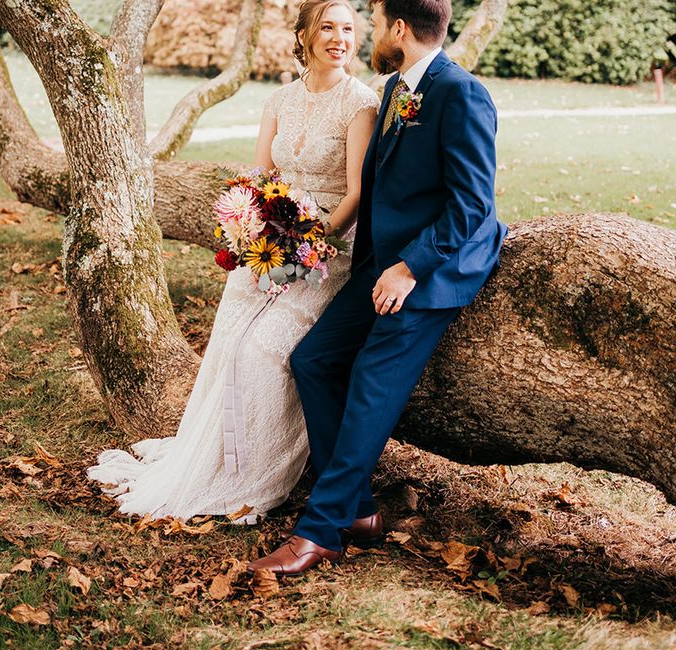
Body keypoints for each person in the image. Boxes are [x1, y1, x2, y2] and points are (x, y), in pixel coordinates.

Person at [87, 0, 380, 524]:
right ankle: (216, 458)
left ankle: (257, 473)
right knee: (229, 341)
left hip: (329, 247)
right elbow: (260, 174)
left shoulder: (361, 103)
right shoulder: (280, 100)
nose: (340, 38)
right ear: (306, 36)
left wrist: (311, 237)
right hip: (271, 238)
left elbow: (358, 191)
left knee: (266, 348)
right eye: (328, 27)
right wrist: (251, 222)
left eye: (348, 29)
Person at [249, 0, 508, 575]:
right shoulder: (396, 88)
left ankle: (320, 531)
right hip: (380, 260)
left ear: (398, 27)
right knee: (313, 360)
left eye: (373, 16)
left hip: (433, 271)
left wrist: (410, 268)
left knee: (369, 378)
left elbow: (473, 205)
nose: (364, 30)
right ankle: (360, 508)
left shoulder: (459, 92)